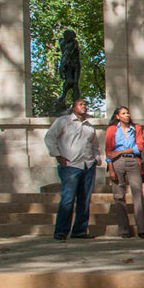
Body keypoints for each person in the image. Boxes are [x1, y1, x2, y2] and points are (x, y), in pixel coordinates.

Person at [44, 98, 99, 241]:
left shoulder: (89, 126)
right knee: (67, 199)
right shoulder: (63, 121)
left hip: (87, 165)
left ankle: (80, 231)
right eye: (81, 104)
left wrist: (96, 159)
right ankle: (61, 232)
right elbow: (49, 138)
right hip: (70, 166)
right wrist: (57, 155)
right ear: (73, 107)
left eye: (86, 105)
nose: (84, 107)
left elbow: (94, 145)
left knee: (84, 200)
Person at [105, 106, 144, 239]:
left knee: (137, 192)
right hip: (117, 162)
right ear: (118, 116)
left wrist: (121, 151)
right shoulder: (112, 129)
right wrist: (111, 168)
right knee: (119, 195)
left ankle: (141, 229)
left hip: (133, 161)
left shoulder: (136, 128)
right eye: (123, 113)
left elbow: (139, 147)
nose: (127, 115)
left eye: (128, 113)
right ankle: (124, 230)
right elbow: (108, 151)